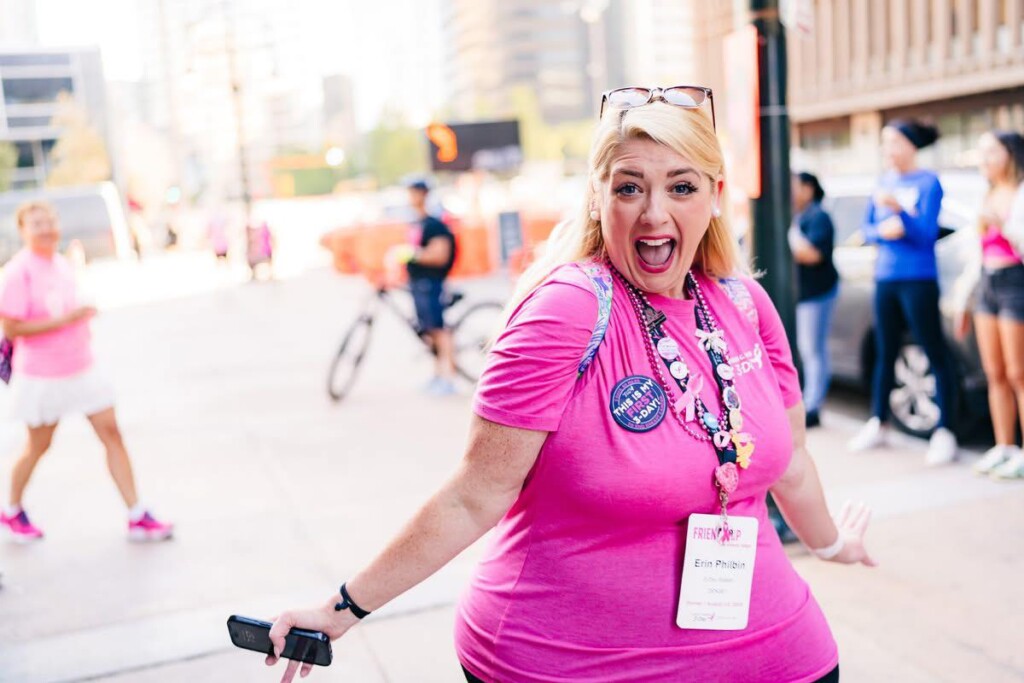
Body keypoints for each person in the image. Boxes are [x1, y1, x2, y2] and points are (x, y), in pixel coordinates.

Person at [265, 92, 874, 683]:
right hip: (572, 661)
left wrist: (832, 545)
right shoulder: (568, 309)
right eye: (629, 187)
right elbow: (474, 495)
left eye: (681, 187)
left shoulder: (744, 303)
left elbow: (791, 460)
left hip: (776, 651)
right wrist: (339, 610)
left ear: (716, 197)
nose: (654, 213)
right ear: (597, 198)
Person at [0, 201, 173, 543]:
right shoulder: (19, 271)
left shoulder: (62, 263)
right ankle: (11, 509)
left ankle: (136, 513)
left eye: (50, 220)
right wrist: (68, 320)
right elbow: (12, 327)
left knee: (112, 432)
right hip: (43, 375)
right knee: (39, 445)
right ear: (23, 230)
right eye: (37, 223)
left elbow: (70, 307)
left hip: (82, 367)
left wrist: (82, 318)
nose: (46, 228)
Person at [847, 118, 959, 464]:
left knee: (933, 351)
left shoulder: (928, 181)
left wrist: (902, 216)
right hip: (885, 276)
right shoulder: (883, 181)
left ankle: (946, 430)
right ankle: (878, 421)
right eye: (884, 143)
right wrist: (886, 229)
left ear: (910, 146)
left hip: (918, 278)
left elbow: (927, 232)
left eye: (893, 142)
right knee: (886, 351)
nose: (888, 150)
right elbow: (868, 228)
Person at [954, 131, 1024, 479]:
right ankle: (1004, 447)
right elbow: (975, 256)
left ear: (1010, 154)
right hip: (986, 285)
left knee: (1018, 373)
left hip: (1016, 283)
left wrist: (1004, 224)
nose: (984, 160)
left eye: (991, 152)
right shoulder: (987, 194)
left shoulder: (1019, 193)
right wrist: (962, 301)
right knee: (994, 374)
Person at [788, 172, 840, 429]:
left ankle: (813, 406)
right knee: (805, 349)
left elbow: (810, 255)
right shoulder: (796, 215)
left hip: (817, 293)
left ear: (808, 189)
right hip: (802, 294)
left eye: (794, 185)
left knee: (813, 349)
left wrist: (790, 234)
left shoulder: (818, 216)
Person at [401, 179, 457, 395]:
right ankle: (437, 375)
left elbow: (439, 256)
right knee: (429, 333)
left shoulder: (435, 225)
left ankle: (448, 378)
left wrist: (414, 255)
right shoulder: (418, 223)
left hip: (431, 284)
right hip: (418, 284)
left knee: (440, 331)